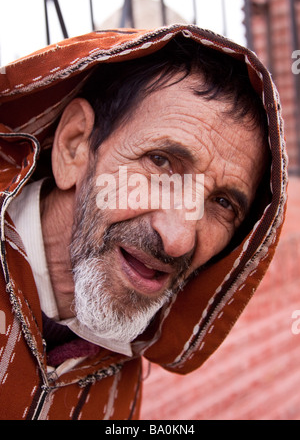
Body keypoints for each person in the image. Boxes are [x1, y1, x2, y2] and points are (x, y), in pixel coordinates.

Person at [0, 25, 287, 420]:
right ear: (74, 146)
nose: (178, 239)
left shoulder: (123, 370)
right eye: (161, 162)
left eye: (222, 203)